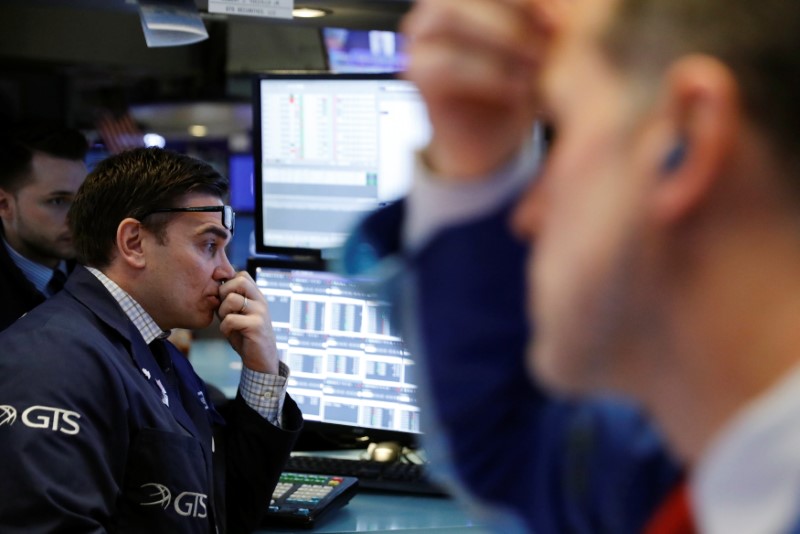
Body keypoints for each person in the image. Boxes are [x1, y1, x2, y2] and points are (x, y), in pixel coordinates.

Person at [342, 0, 800, 532]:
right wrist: (474, 164)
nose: (527, 218)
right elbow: (507, 437)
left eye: (557, 127)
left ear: (685, 141)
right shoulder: (706, 475)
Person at [0, 147, 303, 533]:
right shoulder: (47, 365)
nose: (227, 272)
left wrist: (261, 370)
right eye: (209, 246)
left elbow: (227, 511)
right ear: (133, 243)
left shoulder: (155, 350)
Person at [0, 121, 88, 331]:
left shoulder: (103, 268)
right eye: (58, 201)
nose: (80, 217)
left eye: (85, 199)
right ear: (4, 205)